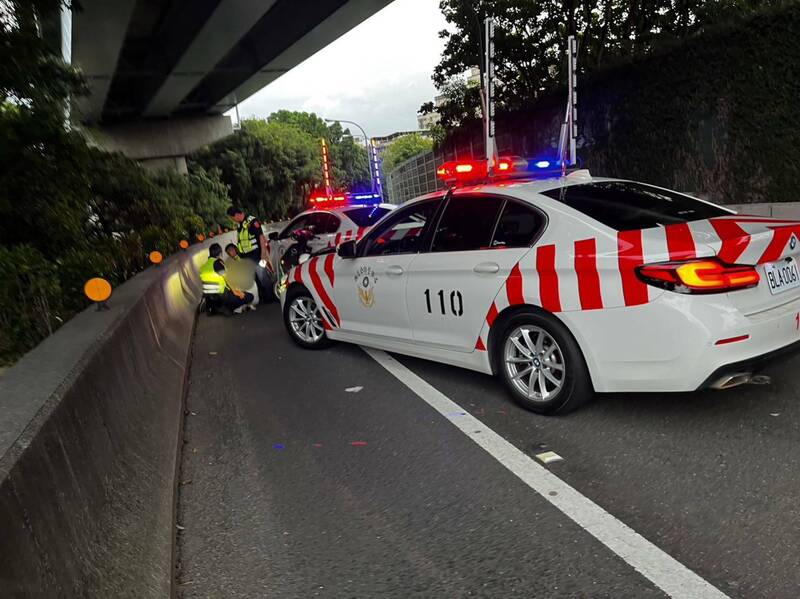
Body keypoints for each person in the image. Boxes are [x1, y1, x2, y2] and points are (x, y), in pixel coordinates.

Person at [226, 206, 271, 298]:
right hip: (247, 257)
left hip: (257, 255)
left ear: (236, 215)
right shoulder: (240, 225)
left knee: (262, 276)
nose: (233, 220)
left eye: (232, 218)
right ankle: (262, 296)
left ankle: (270, 295)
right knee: (255, 277)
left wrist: (263, 254)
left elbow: (261, 237)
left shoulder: (252, 221)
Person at [199, 243, 255, 315]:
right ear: (220, 253)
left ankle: (210, 306)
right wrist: (237, 292)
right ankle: (225, 308)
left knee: (217, 300)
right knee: (249, 296)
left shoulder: (203, 267)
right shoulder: (217, 262)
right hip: (221, 294)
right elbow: (227, 279)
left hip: (208, 295)